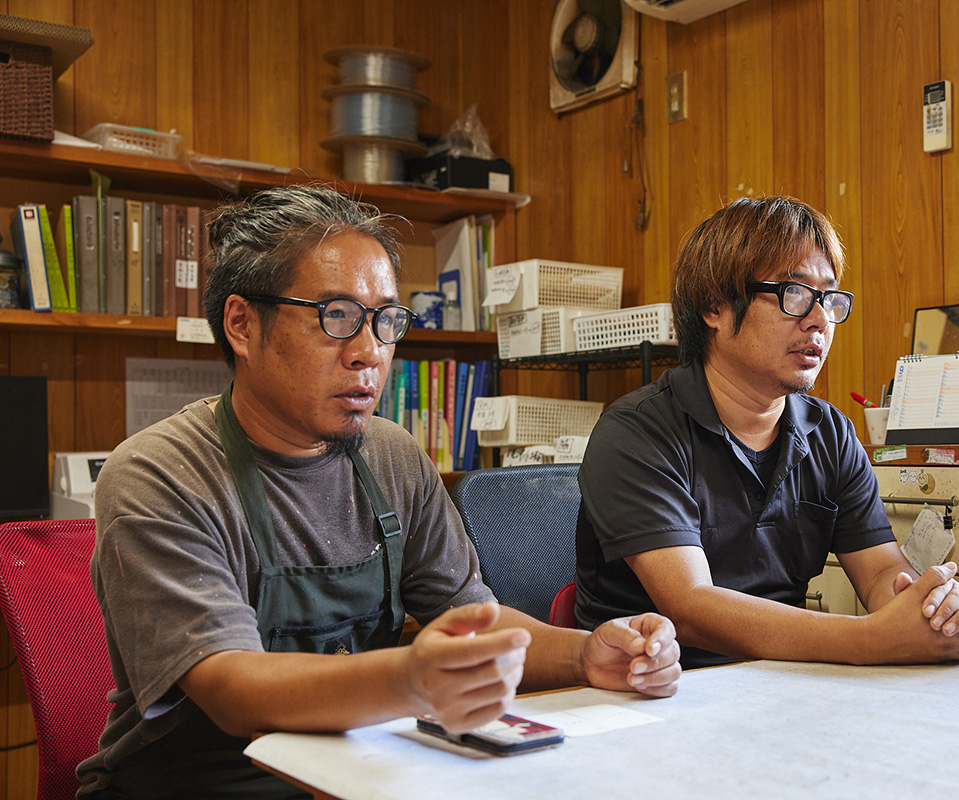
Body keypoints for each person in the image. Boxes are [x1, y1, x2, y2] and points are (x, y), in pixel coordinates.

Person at [78, 185, 681, 799]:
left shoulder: (391, 455)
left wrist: (589, 656)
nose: (370, 352)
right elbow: (233, 689)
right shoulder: (161, 474)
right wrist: (410, 679)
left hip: (356, 773)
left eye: (386, 321)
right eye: (335, 316)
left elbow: (474, 621)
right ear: (242, 323)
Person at [574, 195, 959, 669]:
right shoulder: (636, 433)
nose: (820, 319)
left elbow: (882, 569)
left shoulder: (830, 433)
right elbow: (691, 609)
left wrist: (929, 608)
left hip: (781, 682)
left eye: (829, 299)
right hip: (650, 690)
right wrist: (870, 640)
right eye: (795, 294)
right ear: (713, 306)